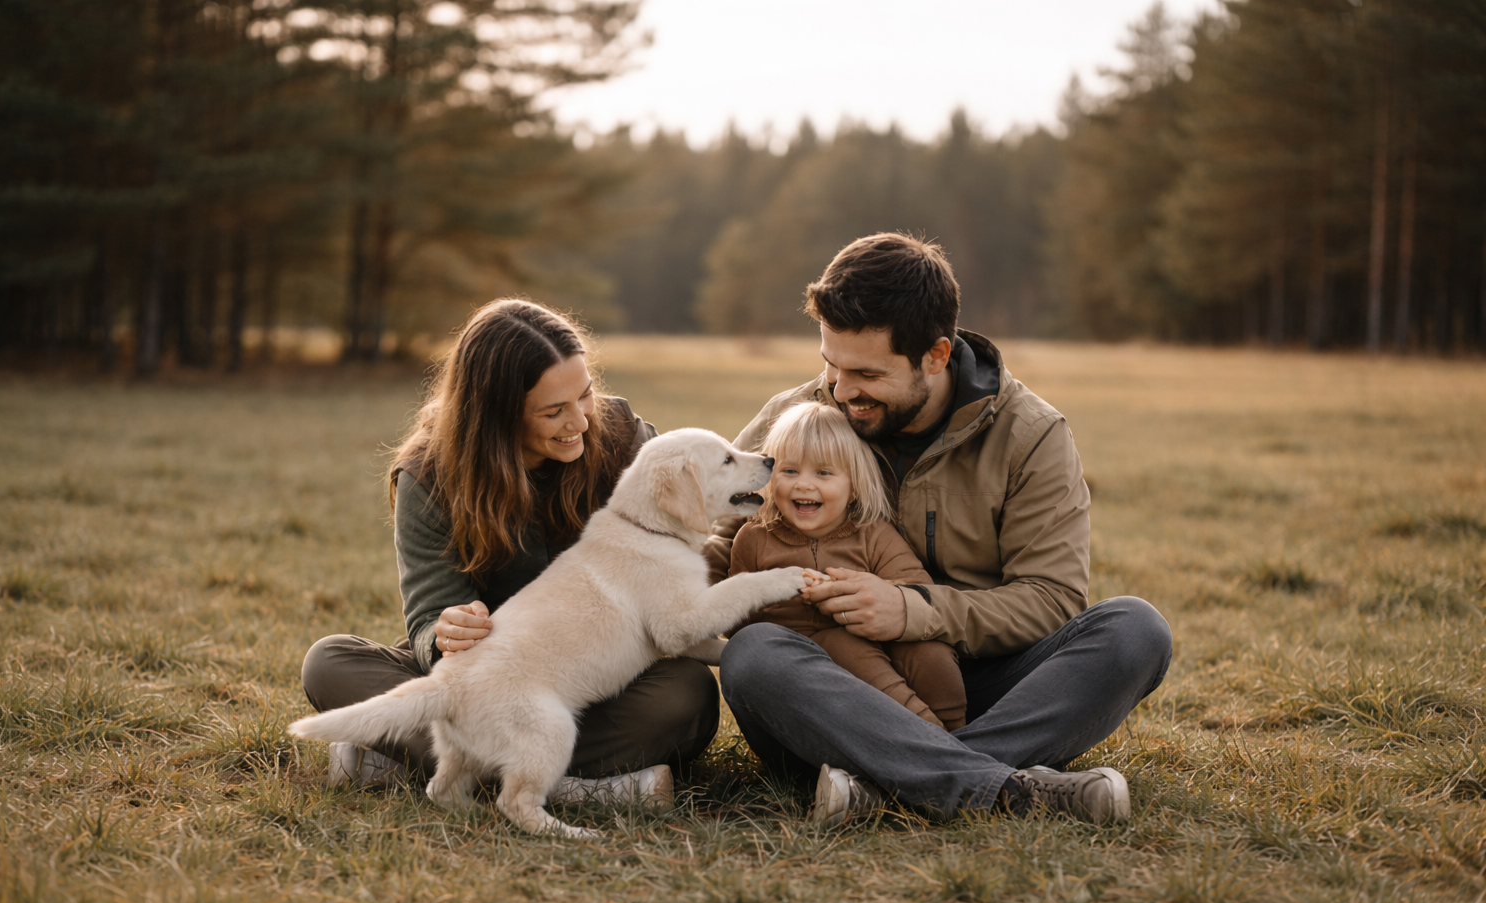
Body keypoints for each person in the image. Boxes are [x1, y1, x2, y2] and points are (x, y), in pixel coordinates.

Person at [711, 233, 1174, 826]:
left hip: (973, 683)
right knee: (755, 654)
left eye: (865, 373)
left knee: (1135, 630)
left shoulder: (1030, 435)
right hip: (832, 691)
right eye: (829, 363)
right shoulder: (799, 417)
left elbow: (1052, 600)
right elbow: (719, 545)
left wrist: (911, 611)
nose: (840, 389)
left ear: (935, 355)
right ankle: (1002, 786)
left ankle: (890, 785)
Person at [300, 299, 718, 804]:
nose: (581, 422)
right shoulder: (429, 476)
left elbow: (688, 557)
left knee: (687, 695)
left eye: (584, 395)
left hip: (602, 679)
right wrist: (446, 632)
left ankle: (416, 761)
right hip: (495, 680)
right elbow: (429, 621)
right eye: (552, 411)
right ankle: (579, 786)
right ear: (496, 414)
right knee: (329, 662)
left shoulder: (623, 436)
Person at [726, 401, 967, 730]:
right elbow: (740, 621)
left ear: (853, 487)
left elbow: (918, 590)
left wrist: (875, 594)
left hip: (877, 643)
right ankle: (929, 734)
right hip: (805, 678)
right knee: (843, 647)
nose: (804, 484)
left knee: (930, 651)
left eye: (823, 473)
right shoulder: (754, 540)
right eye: (790, 471)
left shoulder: (873, 535)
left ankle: (957, 729)